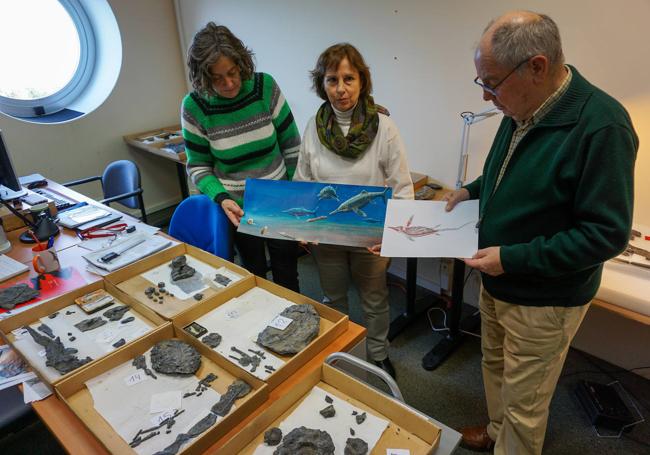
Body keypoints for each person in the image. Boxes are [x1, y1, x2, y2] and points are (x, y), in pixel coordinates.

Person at [444, 11, 638, 454]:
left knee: (526, 398)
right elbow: (510, 173)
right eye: (483, 84)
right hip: (498, 279)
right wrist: (472, 190)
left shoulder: (603, 126)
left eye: (492, 83)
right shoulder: (522, 105)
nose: (488, 96)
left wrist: (511, 258)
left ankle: (512, 443)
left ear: (536, 66)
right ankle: (497, 432)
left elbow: (605, 235)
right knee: (494, 364)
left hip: (544, 298)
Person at [295, 43, 414, 379]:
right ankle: (343, 354)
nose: (341, 89)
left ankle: (378, 355)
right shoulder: (313, 128)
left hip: (371, 238)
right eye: (332, 80)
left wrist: (392, 237)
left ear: (362, 81)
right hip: (328, 235)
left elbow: (402, 187)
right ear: (323, 84)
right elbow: (303, 181)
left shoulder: (385, 128)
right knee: (333, 298)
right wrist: (304, 230)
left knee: (375, 298)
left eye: (349, 78)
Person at [181, 23, 300, 291]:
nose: (229, 83)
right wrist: (221, 198)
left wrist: (296, 194)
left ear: (241, 62)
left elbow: (293, 147)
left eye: (232, 73)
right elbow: (199, 167)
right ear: (202, 76)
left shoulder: (264, 87)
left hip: (280, 199)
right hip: (238, 208)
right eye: (217, 78)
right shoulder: (195, 106)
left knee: (287, 273)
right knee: (253, 274)